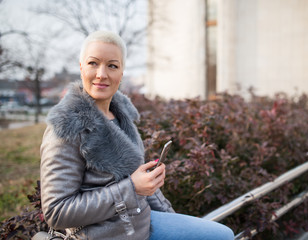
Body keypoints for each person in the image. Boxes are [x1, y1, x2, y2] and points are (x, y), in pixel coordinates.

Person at [40, 30, 234, 240]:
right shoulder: (66, 125)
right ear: (81, 68)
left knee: (223, 235)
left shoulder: (121, 116)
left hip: (140, 223)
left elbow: (139, 186)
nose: (101, 74)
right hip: (105, 235)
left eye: (112, 66)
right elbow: (56, 211)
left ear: (121, 74)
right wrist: (132, 188)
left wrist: (166, 208)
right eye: (93, 63)